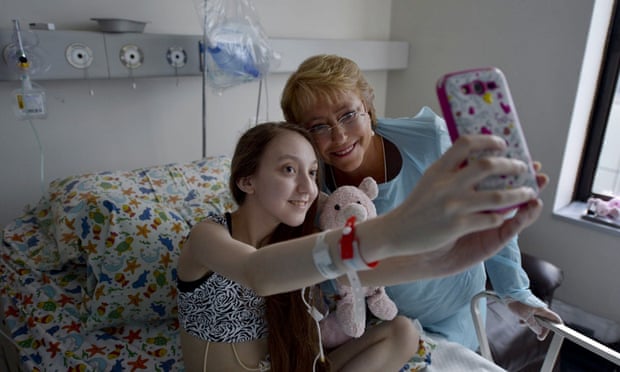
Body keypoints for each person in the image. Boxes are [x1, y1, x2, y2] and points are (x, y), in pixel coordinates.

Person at [176, 120, 544, 371]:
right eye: (288, 170)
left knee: (403, 331)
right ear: (247, 181)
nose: (307, 189)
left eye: (311, 173)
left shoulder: (297, 242)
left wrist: (444, 260)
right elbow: (257, 272)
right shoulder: (207, 238)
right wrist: (394, 229)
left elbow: (365, 272)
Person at [280, 54, 562, 351]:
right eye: (318, 127)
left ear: (367, 107)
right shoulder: (310, 187)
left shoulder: (430, 141)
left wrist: (515, 291)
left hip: (455, 312)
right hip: (384, 325)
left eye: (348, 115)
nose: (338, 135)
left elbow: (491, 209)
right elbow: (326, 270)